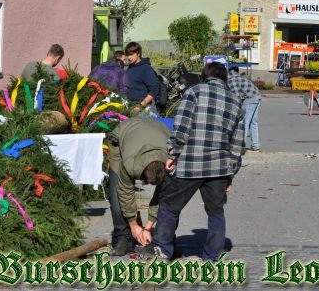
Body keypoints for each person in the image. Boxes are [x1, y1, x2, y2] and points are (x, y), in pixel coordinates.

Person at [136, 62, 245, 261]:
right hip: (219, 168)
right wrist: (231, 173)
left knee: (169, 205)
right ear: (224, 79)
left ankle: (163, 248)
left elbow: (182, 128)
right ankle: (212, 255)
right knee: (216, 212)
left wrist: (172, 154)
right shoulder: (236, 102)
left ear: (204, 76)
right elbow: (237, 145)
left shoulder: (194, 92)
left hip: (189, 164)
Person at [107, 117, 171, 256]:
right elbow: (125, 192)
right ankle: (123, 237)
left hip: (157, 130)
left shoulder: (171, 162)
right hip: (121, 136)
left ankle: (160, 240)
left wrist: (148, 228)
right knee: (116, 193)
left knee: (167, 194)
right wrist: (134, 225)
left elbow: (162, 195)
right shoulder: (129, 163)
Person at [227, 67, 262, 152]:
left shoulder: (231, 80)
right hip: (257, 96)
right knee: (253, 123)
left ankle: (241, 146)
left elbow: (236, 95)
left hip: (250, 99)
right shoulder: (239, 77)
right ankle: (256, 146)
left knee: (245, 123)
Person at [124, 42, 160, 114]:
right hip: (132, 106)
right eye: (127, 55)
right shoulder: (130, 68)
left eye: (131, 54)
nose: (129, 57)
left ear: (138, 53)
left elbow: (154, 89)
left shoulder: (146, 68)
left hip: (145, 109)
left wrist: (140, 106)